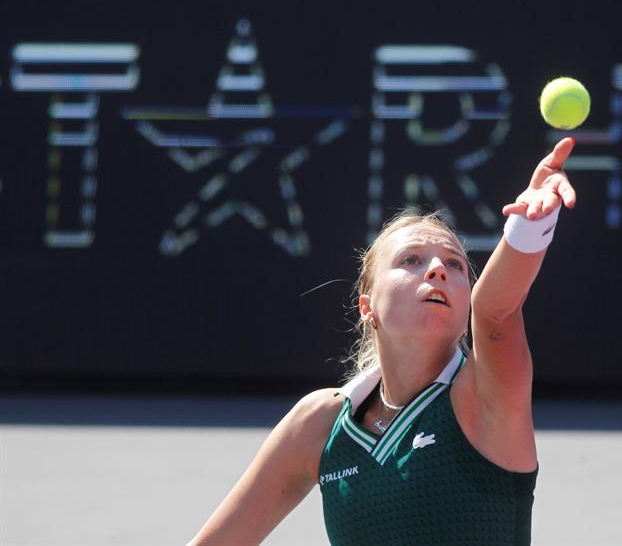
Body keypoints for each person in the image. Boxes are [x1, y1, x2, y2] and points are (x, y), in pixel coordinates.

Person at [188, 137, 578, 545]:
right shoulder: (319, 425)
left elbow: (496, 310)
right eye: (411, 260)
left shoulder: (487, 396)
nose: (437, 271)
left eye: (454, 264)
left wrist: (530, 226)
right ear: (367, 305)